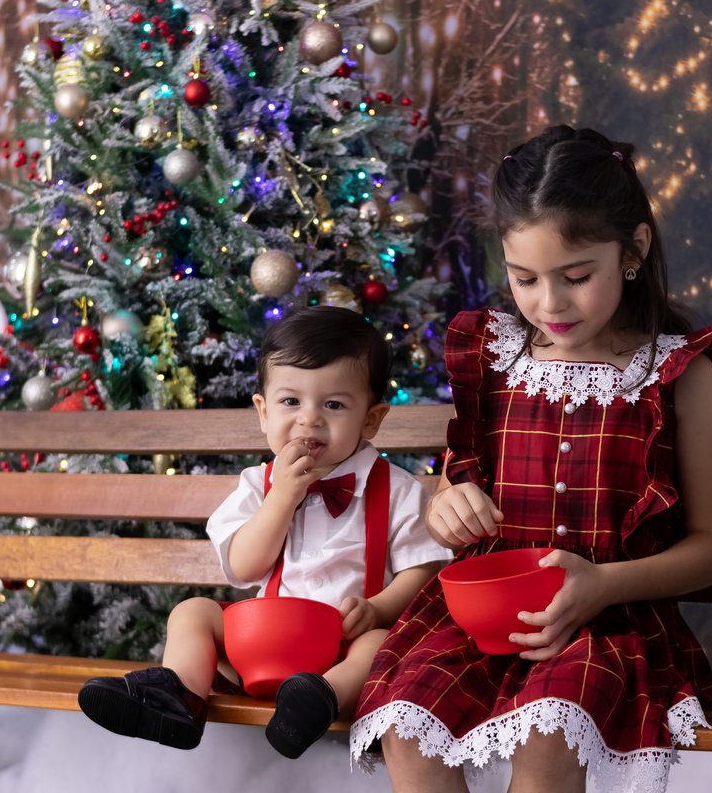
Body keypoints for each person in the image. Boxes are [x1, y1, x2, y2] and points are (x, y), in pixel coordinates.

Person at [349, 125, 712, 793]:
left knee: (548, 731)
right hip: (478, 621)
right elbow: (458, 480)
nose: (549, 304)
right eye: (524, 277)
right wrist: (449, 507)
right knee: (407, 728)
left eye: (576, 276)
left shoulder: (676, 373)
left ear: (633, 251)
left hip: (607, 624)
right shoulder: (493, 357)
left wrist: (602, 585)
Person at [79, 305, 453, 759]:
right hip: (261, 648)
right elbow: (242, 567)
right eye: (290, 402)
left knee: (379, 646)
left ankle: (317, 701)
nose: (308, 419)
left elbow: (424, 570)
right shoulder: (258, 485)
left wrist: (376, 610)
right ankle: (179, 698)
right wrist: (280, 501)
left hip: (342, 649)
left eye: (333, 405)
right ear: (262, 411)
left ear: (370, 420)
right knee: (193, 612)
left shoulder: (395, 489)